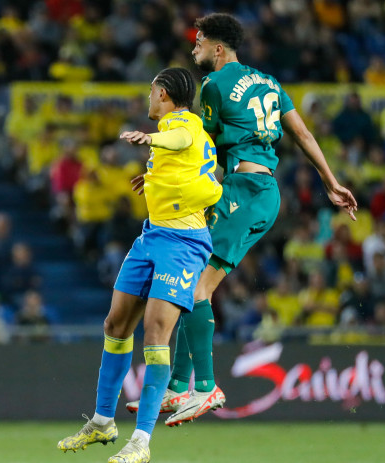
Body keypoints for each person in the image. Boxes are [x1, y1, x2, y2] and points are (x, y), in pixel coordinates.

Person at [128, 13, 358, 427]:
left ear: (219, 49)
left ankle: (206, 386)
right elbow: (303, 135)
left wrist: (163, 170)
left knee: (195, 287)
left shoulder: (214, 84)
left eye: (199, 42)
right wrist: (331, 181)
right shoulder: (269, 82)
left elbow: (204, 143)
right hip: (264, 192)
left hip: (243, 192)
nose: (193, 47)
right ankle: (180, 384)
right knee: (189, 283)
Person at [57, 67, 222, 463]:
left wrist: (150, 138)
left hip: (183, 244)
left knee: (155, 333)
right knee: (116, 324)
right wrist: (153, 176)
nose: (148, 98)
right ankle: (102, 421)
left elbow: (180, 138)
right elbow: (196, 167)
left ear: (162, 93)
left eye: (151, 91)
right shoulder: (176, 137)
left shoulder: (183, 123)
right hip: (152, 237)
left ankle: (141, 442)